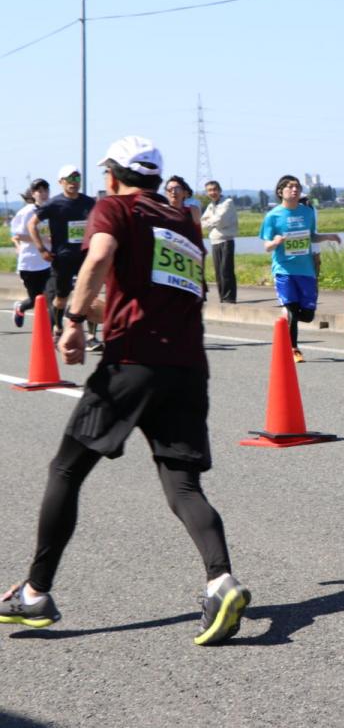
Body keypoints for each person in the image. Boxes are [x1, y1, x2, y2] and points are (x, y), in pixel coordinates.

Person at [0, 136, 250, 646]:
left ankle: (35, 593)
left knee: (66, 469)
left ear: (113, 174)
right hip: (186, 367)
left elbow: (99, 259)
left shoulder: (115, 208)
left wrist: (70, 320)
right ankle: (221, 581)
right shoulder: (181, 221)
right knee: (182, 485)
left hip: (132, 364)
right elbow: (160, 294)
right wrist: (98, 312)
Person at [258, 175, 342, 363]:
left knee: (308, 315)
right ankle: (294, 348)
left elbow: (312, 236)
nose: (294, 190)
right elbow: (266, 246)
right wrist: (276, 242)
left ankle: (287, 319)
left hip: (306, 270)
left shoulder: (307, 212)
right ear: (281, 192)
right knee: (292, 311)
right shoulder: (273, 216)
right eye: (290, 187)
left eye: (297, 187)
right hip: (284, 270)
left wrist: (328, 237)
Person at [27, 164, 96, 339]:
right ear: (61, 182)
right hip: (63, 258)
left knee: (90, 296)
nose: (74, 182)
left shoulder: (89, 202)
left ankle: (91, 336)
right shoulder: (54, 204)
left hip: (85, 257)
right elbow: (31, 224)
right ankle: (58, 326)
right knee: (61, 298)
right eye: (69, 179)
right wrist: (42, 249)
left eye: (77, 178)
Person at [10, 179, 52, 328]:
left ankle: (51, 330)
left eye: (46, 190)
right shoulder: (27, 212)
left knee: (49, 297)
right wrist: (44, 239)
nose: (43, 194)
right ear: (33, 194)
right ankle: (20, 307)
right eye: (39, 191)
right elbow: (18, 235)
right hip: (30, 263)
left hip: (48, 261)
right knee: (36, 300)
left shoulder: (51, 210)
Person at [201, 180, 238, 304]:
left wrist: (209, 222)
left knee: (226, 271)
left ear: (220, 190)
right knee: (218, 273)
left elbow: (218, 219)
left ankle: (229, 298)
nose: (212, 192)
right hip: (215, 241)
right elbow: (202, 221)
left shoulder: (227, 202)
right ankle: (222, 297)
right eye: (209, 190)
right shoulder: (211, 205)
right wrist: (209, 222)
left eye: (214, 189)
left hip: (226, 240)